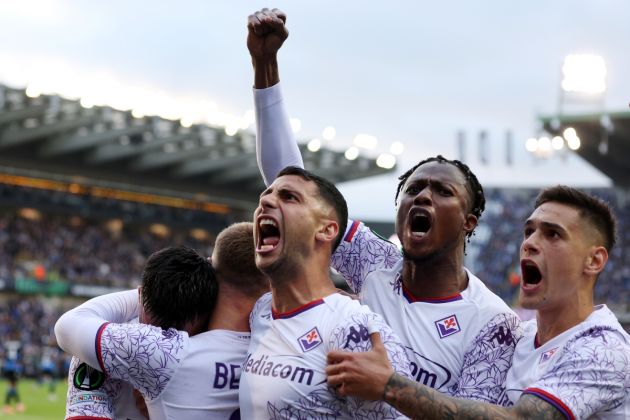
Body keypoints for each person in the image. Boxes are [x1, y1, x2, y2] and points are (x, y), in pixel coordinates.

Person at [247, 8, 521, 403]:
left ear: (469, 222)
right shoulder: (375, 263)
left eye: (443, 192)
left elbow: (474, 416)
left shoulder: (491, 322)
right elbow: (293, 187)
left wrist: (393, 389)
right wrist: (265, 65)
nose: (423, 196)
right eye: (413, 189)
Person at [326, 186, 630, 419]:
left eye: (553, 234)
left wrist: (389, 386)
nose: (530, 243)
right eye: (529, 231)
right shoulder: (515, 336)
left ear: (594, 260)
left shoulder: (603, 348)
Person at [238, 165, 411, 419]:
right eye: (266, 195)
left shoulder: (356, 330)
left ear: (327, 230)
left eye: (289, 197)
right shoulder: (261, 311)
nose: (265, 201)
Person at [57, 231, 269, 420]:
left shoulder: (163, 351)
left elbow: (68, 326)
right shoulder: (278, 351)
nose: (161, 333)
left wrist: (144, 294)